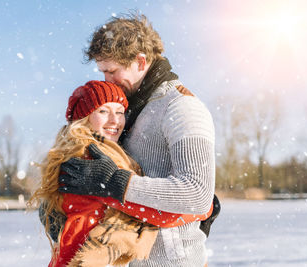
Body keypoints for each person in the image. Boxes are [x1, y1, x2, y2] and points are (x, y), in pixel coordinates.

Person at [58, 13, 218, 267]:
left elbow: (197, 193)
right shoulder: (129, 110)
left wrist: (113, 183)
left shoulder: (181, 107)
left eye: (112, 71)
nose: (107, 80)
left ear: (141, 62)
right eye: (102, 72)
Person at [30, 80, 215, 267]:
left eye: (120, 112)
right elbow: (158, 215)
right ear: (84, 117)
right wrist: (202, 209)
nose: (115, 120)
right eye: (103, 111)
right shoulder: (90, 160)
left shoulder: (75, 152)